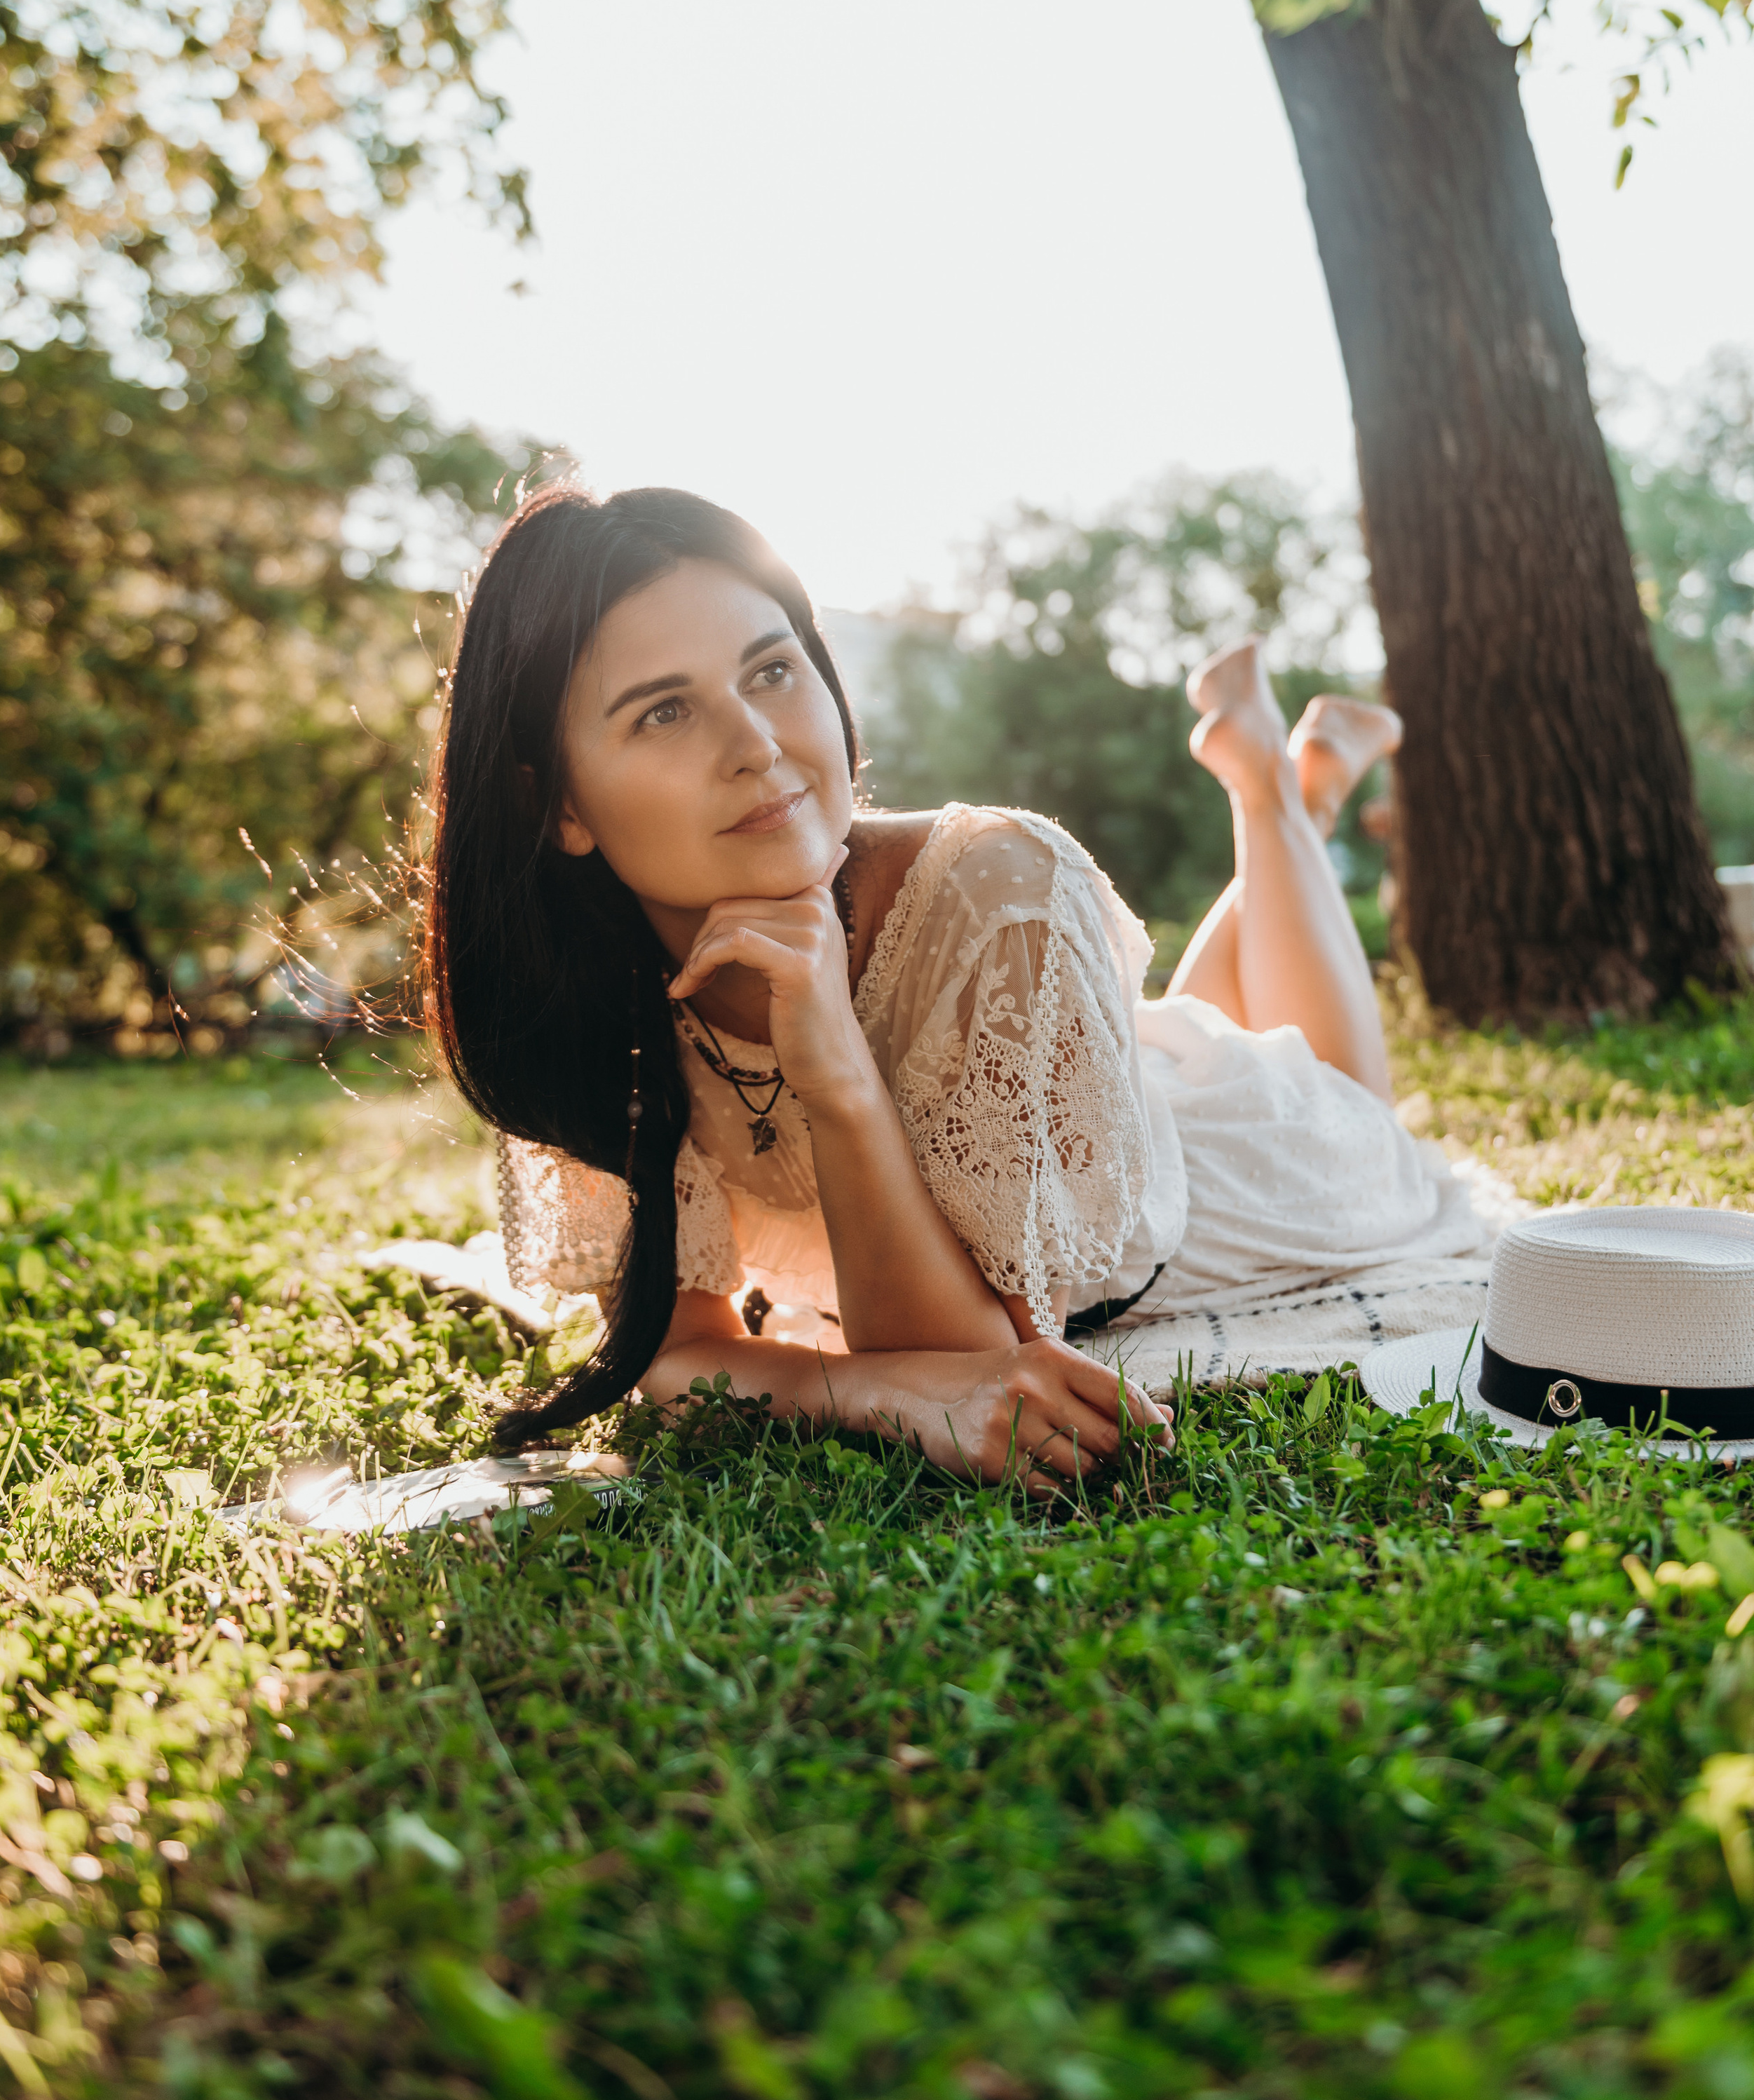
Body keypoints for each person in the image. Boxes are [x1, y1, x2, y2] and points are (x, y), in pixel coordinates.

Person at [423, 480, 1481, 1490]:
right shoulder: (582, 992)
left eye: (772, 671)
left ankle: (1275, 787)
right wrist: (863, 1388)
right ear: (557, 804)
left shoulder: (1001, 886)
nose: (758, 745)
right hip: (1107, 1096)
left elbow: (976, 1359)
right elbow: (676, 1348)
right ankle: (1295, 781)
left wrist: (833, 1064)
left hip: (1252, 1175)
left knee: (1346, 1095)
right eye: (663, 712)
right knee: (1189, 1028)